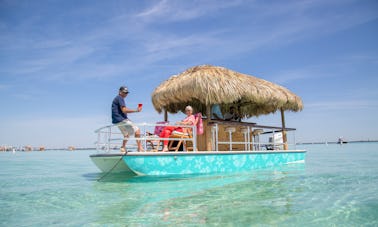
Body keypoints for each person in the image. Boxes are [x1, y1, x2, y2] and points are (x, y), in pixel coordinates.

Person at [112, 86, 143, 152]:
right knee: (137, 131)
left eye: (126, 93)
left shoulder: (117, 98)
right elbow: (124, 110)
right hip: (121, 120)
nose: (125, 94)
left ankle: (123, 147)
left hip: (117, 121)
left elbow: (120, 112)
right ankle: (140, 148)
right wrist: (136, 110)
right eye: (124, 92)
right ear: (120, 92)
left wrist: (127, 119)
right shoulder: (120, 98)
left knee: (127, 135)